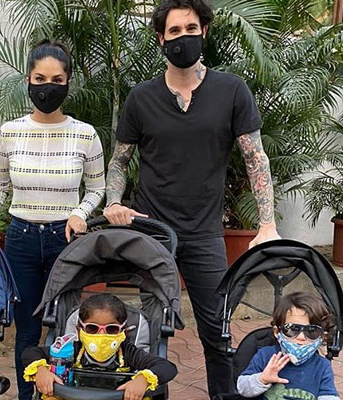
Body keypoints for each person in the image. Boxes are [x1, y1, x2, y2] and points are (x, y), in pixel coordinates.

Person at [103, 0, 280, 397]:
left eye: (190, 29)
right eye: (174, 31)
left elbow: (255, 158)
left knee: (218, 332)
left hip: (205, 234)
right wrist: (113, 201)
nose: (183, 37)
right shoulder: (141, 97)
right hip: (152, 233)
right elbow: (120, 161)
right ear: (160, 39)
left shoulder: (231, 91)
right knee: (148, 333)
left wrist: (267, 224)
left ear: (204, 32)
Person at [0, 39, 106, 400]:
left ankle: (62, 395)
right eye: (40, 79)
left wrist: (79, 213)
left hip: (66, 240)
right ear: (28, 81)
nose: (48, 87)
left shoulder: (85, 135)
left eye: (57, 80)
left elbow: (97, 188)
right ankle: (26, 396)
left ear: (68, 83)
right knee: (28, 330)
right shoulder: (9, 132)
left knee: (65, 327)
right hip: (20, 240)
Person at [21, 293, 177, 400]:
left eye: (111, 329)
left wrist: (142, 380)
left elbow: (166, 367)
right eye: (92, 328)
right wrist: (41, 370)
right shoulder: (71, 351)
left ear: (124, 331)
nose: (101, 335)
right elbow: (31, 353)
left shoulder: (129, 353)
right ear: (79, 330)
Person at [237, 292, 339, 400]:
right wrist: (262, 379)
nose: (301, 337)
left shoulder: (322, 366)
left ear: (322, 337)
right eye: (292, 329)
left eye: (312, 331)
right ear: (277, 332)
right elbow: (242, 388)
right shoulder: (265, 356)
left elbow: (329, 396)